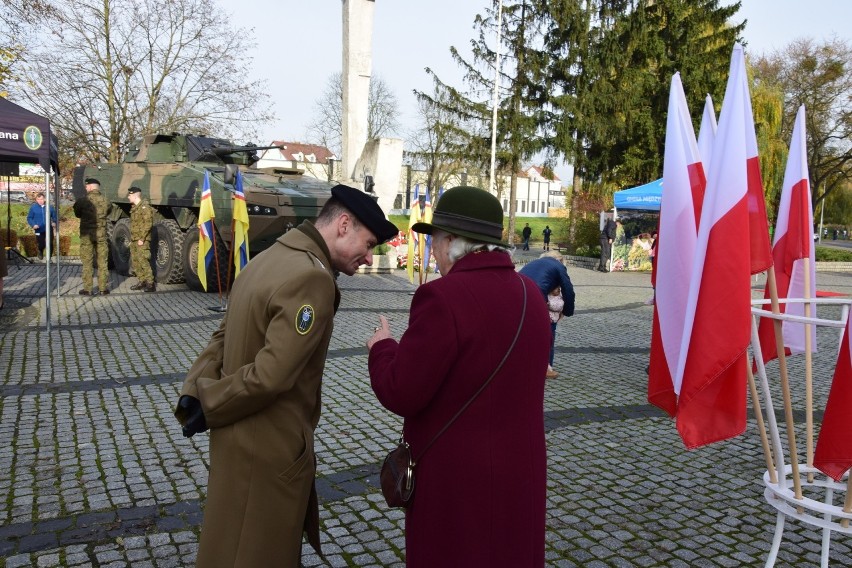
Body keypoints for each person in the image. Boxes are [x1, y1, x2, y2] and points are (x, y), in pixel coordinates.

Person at [175, 184, 398, 568]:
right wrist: (209, 403)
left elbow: (222, 336)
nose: (368, 256)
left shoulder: (268, 258)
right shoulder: (312, 277)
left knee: (228, 545)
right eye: (368, 243)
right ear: (343, 224)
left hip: (236, 443)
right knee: (259, 552)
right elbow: (271, 375)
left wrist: (194, 390)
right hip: (268, 449)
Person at [367, 186, 551, 567]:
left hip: (457, 478)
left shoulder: (442, 297)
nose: (431, 249)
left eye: (434, 238)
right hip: (520, 470)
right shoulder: (531, 293)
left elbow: (402, 390)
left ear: (451, 242)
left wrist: (382, 348)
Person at [519, 250, 576, 379]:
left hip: (518, 292)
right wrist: (567, 311)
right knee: (548, 334)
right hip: (536, 297)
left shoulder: (534, 263)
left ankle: (523, 363)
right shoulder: (558, 266)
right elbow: (568, 289)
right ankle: (546, 367)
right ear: (560, 260)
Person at [73, 178, 112, 295]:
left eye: (86, 186)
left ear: (89, 187)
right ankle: (103, 289)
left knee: (87, 262)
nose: (86, 188)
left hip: (87, 237)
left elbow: (77, 214)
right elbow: (108, 212)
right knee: (102, 262)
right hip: (101, 236)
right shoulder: (106, 201)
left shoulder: (82, 201)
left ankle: (88, 289)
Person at [127, 187, 155, 292]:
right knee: (135, 262)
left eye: (129, 195)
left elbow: (148, 224)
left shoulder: (145, 207)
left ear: (134, 195)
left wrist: (142, 238)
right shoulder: (135, 208)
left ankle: (150, 283)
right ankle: (142, 281)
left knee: (143, 260)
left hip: (142, 239)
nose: (128, 197)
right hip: (134, 239)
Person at [26, 193, 57, 260]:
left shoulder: (50, 207)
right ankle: (40, 251)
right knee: (41, 243)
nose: (40, 201)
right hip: (39, 229)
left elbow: (54, 216)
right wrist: (33, 224)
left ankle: (49, 258)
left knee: (50, 243)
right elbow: (29, 218)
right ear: (36, 200)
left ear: (44, 199)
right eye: (38, 199)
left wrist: (54, 222)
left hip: (49, 228)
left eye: (41, 199)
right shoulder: (33, 208)